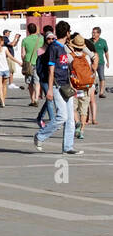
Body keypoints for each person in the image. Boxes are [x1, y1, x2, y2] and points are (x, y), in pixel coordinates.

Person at [35, 21, 82, 155]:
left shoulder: (63, 47)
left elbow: (65, 67)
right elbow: (51, 70)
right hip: (56, 85)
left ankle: (68, 147)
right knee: (62, 116)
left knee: (70, 119)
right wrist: (49, 89)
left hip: (66, 84)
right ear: (67, 33)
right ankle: (40, 136)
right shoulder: (54, 47)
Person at [68, 33, 97, 139]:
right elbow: (92, 68)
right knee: (84, 109)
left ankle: (77, 122)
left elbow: (68, 70)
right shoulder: (87, 57)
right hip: (86, 86)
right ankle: (82, 130)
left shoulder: (70, 57)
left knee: (73, 108)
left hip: (75, 86)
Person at [0, 35, 20, 107]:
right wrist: (19, 62)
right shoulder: (5, 49)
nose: (4, 42)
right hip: (5, 69)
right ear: (0, 41)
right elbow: (11, 57)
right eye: (3, 40)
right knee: (4, 86)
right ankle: (3, 100)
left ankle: (2, 102)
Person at [90, 26, 108, 101]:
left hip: (100, 62)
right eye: (92, 32)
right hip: (91, 62)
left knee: (101, 77)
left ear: (99, 34)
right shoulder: (89, 41)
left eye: (95, 32)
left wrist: (108, 62)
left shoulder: (103, 41)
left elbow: (106, 52)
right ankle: (93, 89)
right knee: (91, 77)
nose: (93, 34)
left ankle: (101, 92)